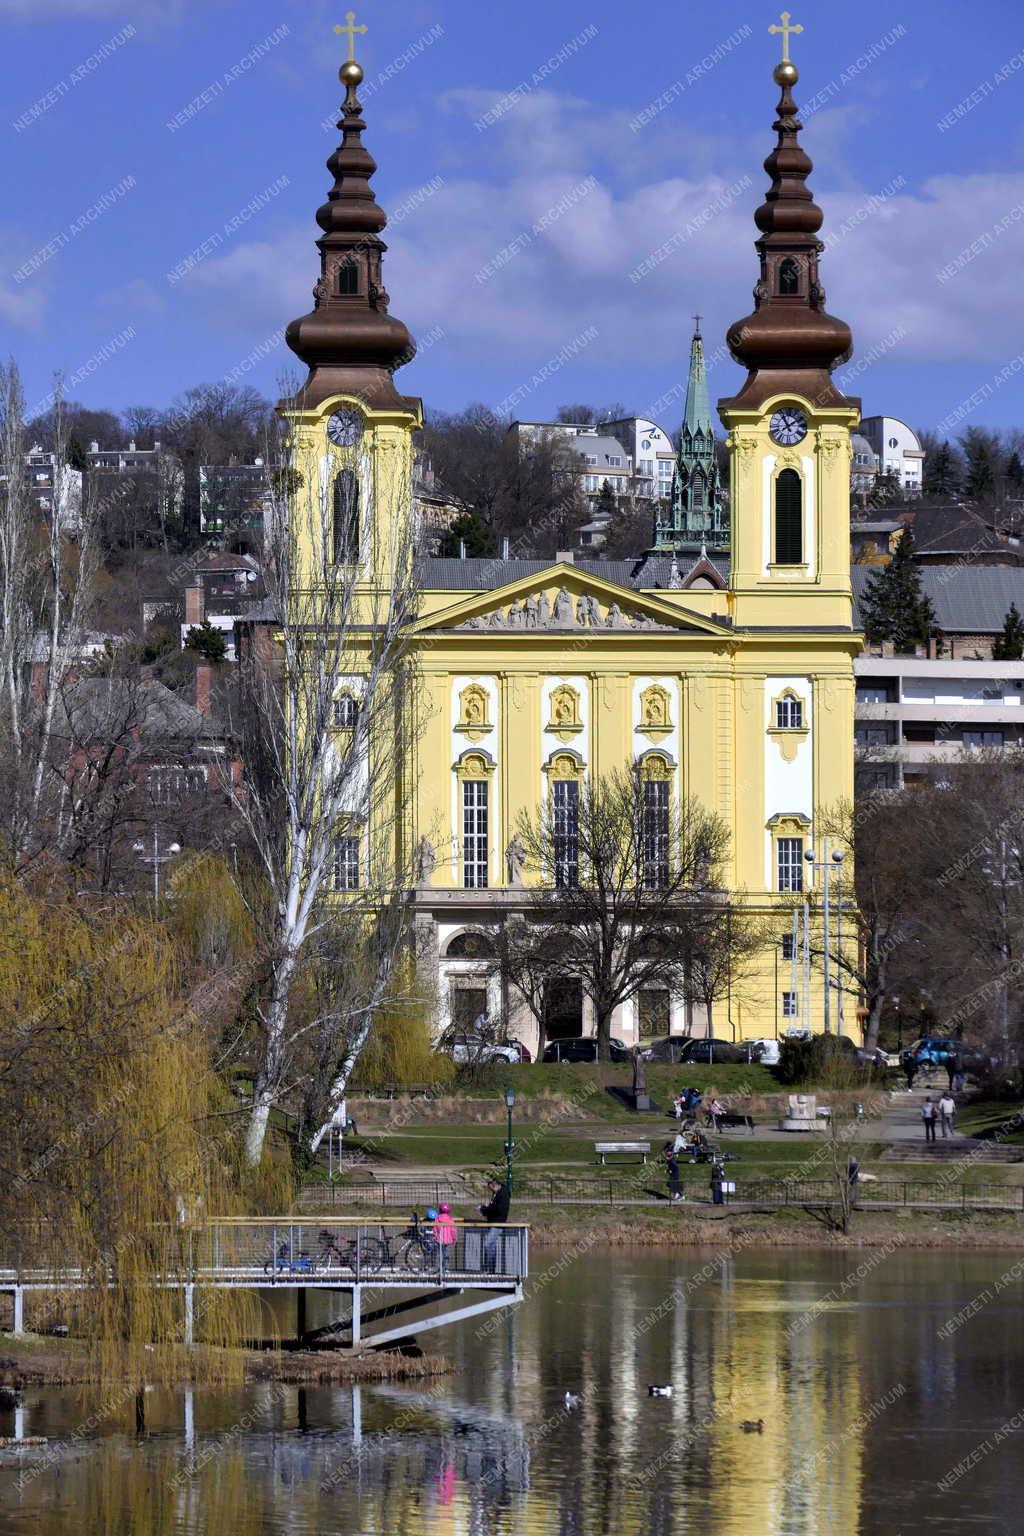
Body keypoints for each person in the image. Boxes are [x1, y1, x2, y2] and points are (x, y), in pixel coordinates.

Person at [479, 1176, 510, 1273]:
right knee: (491, 1245)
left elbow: (499, 1209)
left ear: (495, 1185)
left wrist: (486, 1207)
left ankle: (490, 1269)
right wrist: (485, 1208)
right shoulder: (496, 1193)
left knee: (488, 1244)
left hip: (497, 1223)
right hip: (492, 1222)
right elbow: (493, 1207)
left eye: (491, 1188)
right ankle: (490, 1269)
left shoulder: (503, 1194)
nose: (491, 1190)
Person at [433, 1202, 458, 1273]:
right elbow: (453, 1230)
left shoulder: (437, 1218)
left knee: (439, 1254)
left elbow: (435, 1228)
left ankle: (438, 1268)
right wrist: (454, 1238)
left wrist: (435, 1236)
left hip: (439, 1239)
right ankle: (446, 1268)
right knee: (446, 1254)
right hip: (448, 1240)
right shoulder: (450, 1219)